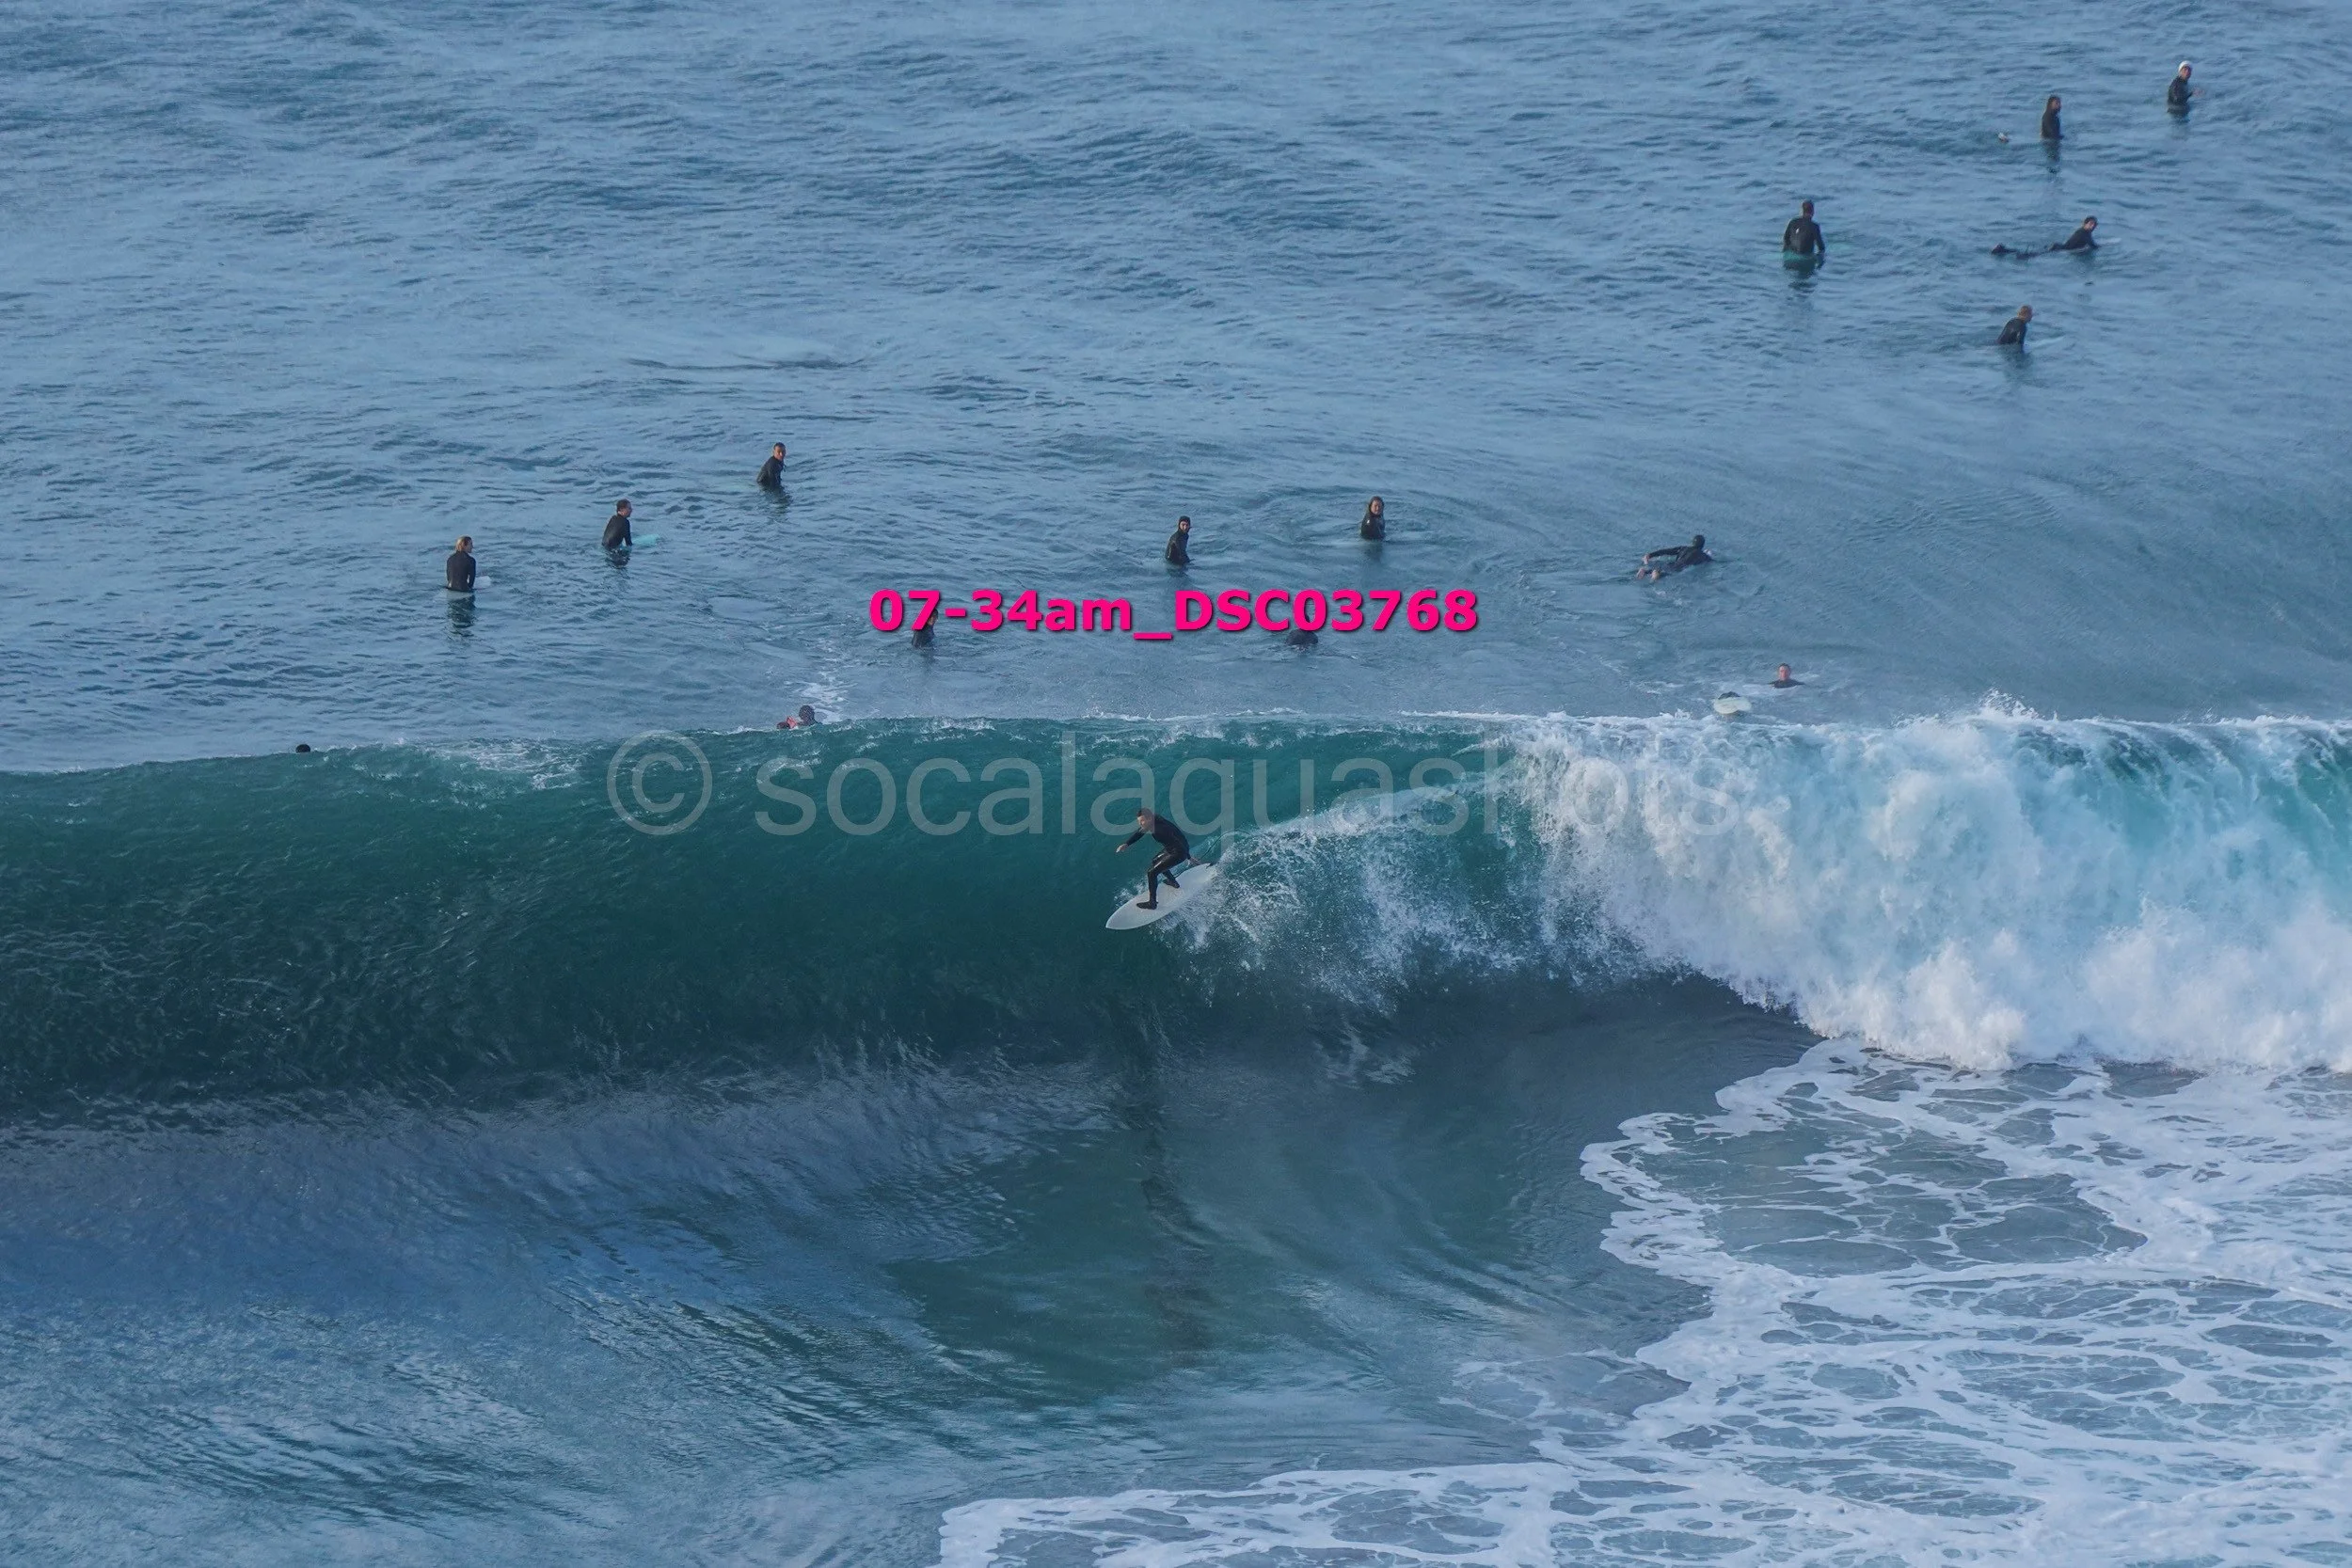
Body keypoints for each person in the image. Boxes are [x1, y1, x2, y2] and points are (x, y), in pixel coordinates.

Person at [1116, 806, 1192, 910]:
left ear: (1149, 819)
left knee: (1151, 873)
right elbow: (1140, 832)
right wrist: (1127, 844)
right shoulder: (1153, 820)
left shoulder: (1160, 830)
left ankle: (1152, 903)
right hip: (1172, 849)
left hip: (1178, 852)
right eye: (1139, 821)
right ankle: (1173, 882)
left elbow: (1177, 839)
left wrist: (1188, 856)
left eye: (1142, 821)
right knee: (1155, 861)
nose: (1140, 823)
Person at [1992, 217, 2096, 258]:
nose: (2092, 226)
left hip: (2058, 247)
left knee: (2035, 254)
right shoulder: (2083, 233)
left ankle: (2003, 250)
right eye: (2091, 224)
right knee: (2033, 255)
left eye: (2094, 225)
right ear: (2085, 224)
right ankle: (2004, 250)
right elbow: (2093, 246)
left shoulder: (2084, 232)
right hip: (2059, 249)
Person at [1637, 534, 1713, 580]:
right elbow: (1711, 561)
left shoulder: (1683, 548)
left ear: (1692, 542)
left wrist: (1650, 555)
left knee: (1663, 569)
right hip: (1679, 568)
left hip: (1671, 563)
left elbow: (1666, 551)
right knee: (1666, 574)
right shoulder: (1703, 555)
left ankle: (1645, 571)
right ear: (1702, 545)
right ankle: (1655, 574)